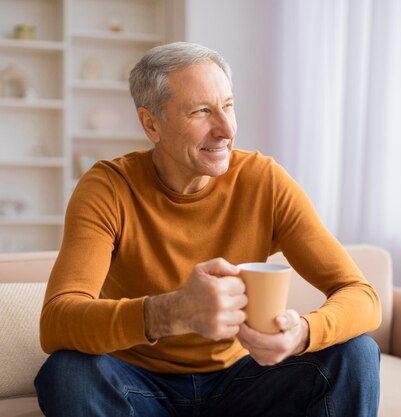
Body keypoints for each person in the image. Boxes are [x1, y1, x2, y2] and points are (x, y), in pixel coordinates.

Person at [34, 42, 382, 417]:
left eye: (228, 106)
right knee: (68, 371)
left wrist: (303, 333)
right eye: (202, 111)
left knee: (356, 352)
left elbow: (361, 295)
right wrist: (171, 313)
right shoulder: (108, 187)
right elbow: (57, 322)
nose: (226, 129)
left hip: (242, 381)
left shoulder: (264, 181)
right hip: (137, 383)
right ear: (151, 123)